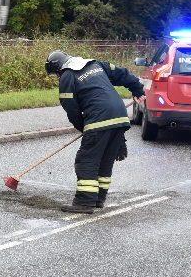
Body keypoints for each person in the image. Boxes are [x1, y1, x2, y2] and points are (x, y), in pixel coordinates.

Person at [45, 50, 146, 213]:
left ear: (58, 68)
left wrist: (83, 127)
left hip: (100, 118)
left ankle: (84, 202)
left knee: (86, 160)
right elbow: (122, 74)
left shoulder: (67, 75)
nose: (57, 77)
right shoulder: (95, 64)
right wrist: (138, 90)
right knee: (105, 160)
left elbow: (71, 108)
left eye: (56, 73)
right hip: (120, 116)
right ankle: (98, 199)